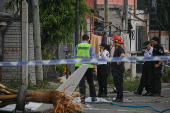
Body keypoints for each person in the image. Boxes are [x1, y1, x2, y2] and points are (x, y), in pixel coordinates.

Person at [74, 34, 97, 104]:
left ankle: (82, 99)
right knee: (90, 82)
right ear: (88, 40)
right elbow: (93, 58)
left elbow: (75, 57)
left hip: (79, 66)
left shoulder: (77, 46)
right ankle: (93, 97)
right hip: (88, 67)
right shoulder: (90, 46)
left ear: (82, 39)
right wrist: (95, 66)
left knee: (82, 83)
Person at [111, 36, 125, 102]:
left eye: (114, 41)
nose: (113, 43)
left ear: (116, 42)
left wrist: (118, 60)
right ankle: (118, 96)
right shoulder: (116, 49)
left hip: (118, 70)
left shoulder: (120, 49)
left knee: (119, 83)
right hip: (115, 69)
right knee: (117, 83)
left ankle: (120, 97)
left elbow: (122, 55)